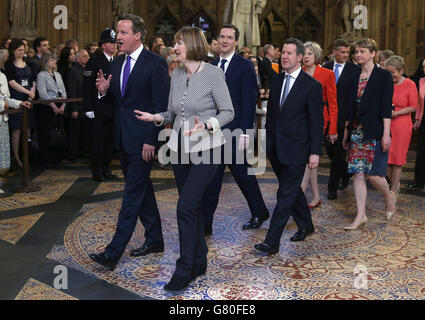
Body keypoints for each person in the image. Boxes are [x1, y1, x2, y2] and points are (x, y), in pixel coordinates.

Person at [134, 26, 234, 293]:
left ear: (191, 44)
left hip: (208, 150)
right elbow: (171, 112)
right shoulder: (177, 74)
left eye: (178, 43)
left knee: (185, 207)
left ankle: (184, 268)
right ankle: (200, 260)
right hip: (180, 150)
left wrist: (207, 125)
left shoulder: (214, 74)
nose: (174, 48)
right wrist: (156, 118)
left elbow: (228, 112)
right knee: (194, 208)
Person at [89, 14, 169, 272]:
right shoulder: (117, 62)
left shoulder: (155, 63)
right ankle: (155, 239)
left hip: (143, 141)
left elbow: (161, 107)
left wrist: (150, 141)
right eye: (117, 33)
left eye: (123, 33)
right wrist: (103, 92)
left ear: (138, 35)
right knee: (142, 190)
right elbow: (118, 102)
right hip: (123, 138)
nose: (118, 38)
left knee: (131, 197)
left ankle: (112, 253)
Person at [254, 38, 323, 254]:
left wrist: (314, 152)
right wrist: (268, 142)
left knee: (284, 194)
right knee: (292, 190)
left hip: (297, 149)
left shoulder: (312, 86)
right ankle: (306, 225)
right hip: (276, 148)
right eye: (282, 52)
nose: (284, 56)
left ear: (300, 57)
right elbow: (273, 115)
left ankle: (271, 242)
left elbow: (316, 122)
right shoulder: (275, 81)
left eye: (289, 53)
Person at [202, 24, 269, 235]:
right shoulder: (211, 65)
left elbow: (249, 102)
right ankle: (205, 223)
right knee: (212, 179)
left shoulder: (245, 66)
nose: (224, 40)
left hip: (234, 132)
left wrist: (245, 134)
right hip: (214, 132)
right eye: (221, 36)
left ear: (236, 42)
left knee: (243, 176)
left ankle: (259, 211)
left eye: (229, 37)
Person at [342, 39, 396, 230]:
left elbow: (386, 108)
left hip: (375, 130)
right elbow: (349, 105)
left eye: (362, 51)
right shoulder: (353, 74)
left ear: (373, 53)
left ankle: (389, 197)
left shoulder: (383, 76)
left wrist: (387, 134)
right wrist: (346, 131)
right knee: (357, 173)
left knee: (374, 175)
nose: (358, 55)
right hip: (356, 131)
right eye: (356, 52)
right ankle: (360, 215)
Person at [301, 41, 338, 209]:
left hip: (319, 120)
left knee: (309, 157)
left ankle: (299, 194)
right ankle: (316, 197)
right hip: (300, 120)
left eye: (310, 53)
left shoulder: (327, 74)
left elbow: (333, 104)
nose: (306, 56)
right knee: (310, 161)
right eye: (304, 53)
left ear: (316, 55)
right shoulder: (297, 72)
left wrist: (333, 129)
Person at [323, 39, 361, 200]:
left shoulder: (355, 70)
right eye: (343, 52)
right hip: (327, 117)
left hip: (344, 118)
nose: (346, 55)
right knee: (329, 150)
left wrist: (349, 120)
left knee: (338, 154)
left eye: (347, 52)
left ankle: (332, 188)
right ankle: (345, 173)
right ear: (334, 52)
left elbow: (354, 97)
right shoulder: (325, 68)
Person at [84, 28, 119, 181]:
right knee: (98, 141)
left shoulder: (117, 61)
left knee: (109, 141)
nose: (115, 45)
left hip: (113, 108)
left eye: (115, 42)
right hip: (98, 108)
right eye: (112, 43)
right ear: (103, 45)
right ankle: (97, 170)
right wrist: (88, 107)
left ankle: (106, 167)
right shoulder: (94, 61)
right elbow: (87, 85)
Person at [385, 56, 418, 201]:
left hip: (402, 125)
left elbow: (413, 106)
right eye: (388, 72)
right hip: (386, 124)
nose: (391, 75)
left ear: (402, 71)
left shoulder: (410, 84)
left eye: (393, 72)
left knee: (397, 159)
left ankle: (394, 190)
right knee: (386, 158)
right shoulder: (386, 83)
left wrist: (396, 113)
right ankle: (393, 183)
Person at [4, 39, 37, 168]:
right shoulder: (9, 65)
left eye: (23, 50)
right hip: (17, 99)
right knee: (17, 129)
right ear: (13, 51)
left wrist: (31, 95)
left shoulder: (29, 64)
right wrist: (28, 93)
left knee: (28, 129)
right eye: (19, 50)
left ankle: (27, 156)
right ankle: (17, 158)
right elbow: (12, 82)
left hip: (29, 98)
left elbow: (33, 80)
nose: (22, 52)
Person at [0, 58, 31, 194]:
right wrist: (2, 105)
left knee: (2, 154)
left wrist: (19, 103)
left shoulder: (2, 76)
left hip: (3, 119)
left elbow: (5, 98)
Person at [36, 53, 67, 167]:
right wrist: (53, 106)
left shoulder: (58, 74)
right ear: (46, 62)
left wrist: (63, 104)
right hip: (47, 107)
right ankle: (46, 158)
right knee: (47, 133)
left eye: (55, 59)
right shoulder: (41, 75)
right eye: (52, 60)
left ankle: (57, 157)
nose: (54, 61)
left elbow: (63, 91)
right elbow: (42, 93)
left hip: (59, 105)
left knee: (58, 132)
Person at [408, 58, 425, 191]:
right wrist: (417, 120)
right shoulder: (421, 81)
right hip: (424, 120)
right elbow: (420, 104)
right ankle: (419, 182)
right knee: (421, 151)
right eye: (424, 67)